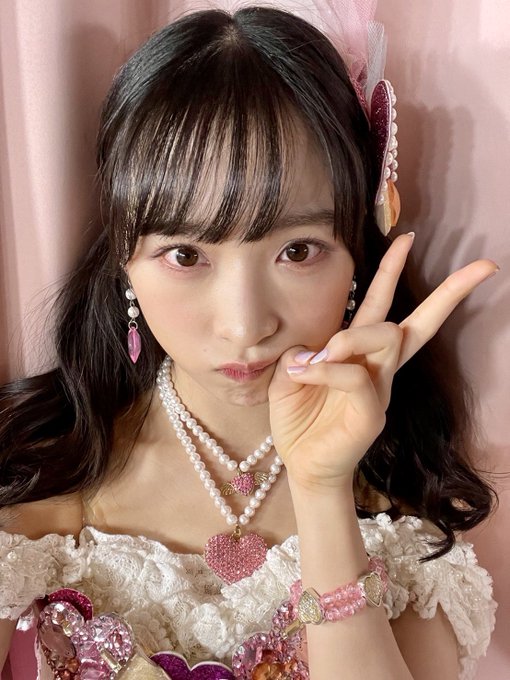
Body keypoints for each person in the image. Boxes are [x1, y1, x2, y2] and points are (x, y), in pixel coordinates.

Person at [0, 4, 498, 680]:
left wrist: (322, 489)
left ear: (357, 253)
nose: (244, 325)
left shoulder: (405, 523)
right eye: (185, 255)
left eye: (298, 250)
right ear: (123, 259)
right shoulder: (40, 475)